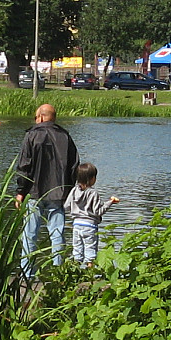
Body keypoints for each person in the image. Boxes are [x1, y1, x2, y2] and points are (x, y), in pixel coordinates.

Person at [13, 103, 78, 276]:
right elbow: (74, 167)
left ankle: (27, 273)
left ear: (41, 117)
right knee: (58, 233)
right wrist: (69, 191)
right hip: (59, 192)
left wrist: (20, 191)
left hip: (35, 192)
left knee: (30, 234)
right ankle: (59, 272)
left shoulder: (32, 135)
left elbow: (24, 166)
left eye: (35, 117)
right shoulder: (65, 136)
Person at [64, 162, 118, 264]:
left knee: (77, 250)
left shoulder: (74, 190)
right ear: (91, 179)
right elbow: (98, 212)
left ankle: (76, 273)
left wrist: (76, 210)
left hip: (76, 225)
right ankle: (90, 273)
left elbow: (66, 206)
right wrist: (110, 202)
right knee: (90, 250)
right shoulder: (93, 193)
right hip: (89, 225)